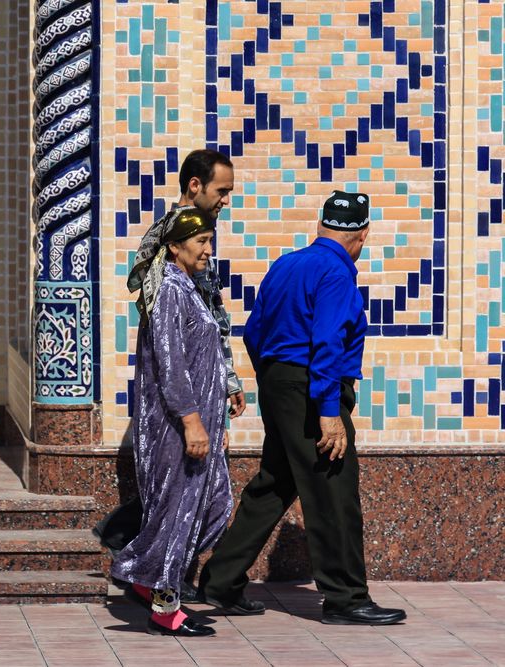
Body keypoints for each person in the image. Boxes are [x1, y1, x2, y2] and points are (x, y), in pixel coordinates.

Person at [197, 192, 407, 626]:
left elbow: (254, 331)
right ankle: (346, 597)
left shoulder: (287, 265)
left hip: (280, 384)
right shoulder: (335, 272)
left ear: (321, 227)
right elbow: (328, 343)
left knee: (275, 484)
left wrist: (272, 383)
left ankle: (220, 580)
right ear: (362, 235)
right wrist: (327, 411)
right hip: (314, 390)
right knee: (333, 490)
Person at [97, 149, 246, 601]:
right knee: (176, 501)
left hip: (201, 396)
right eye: (221, 191)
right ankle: (150, 573)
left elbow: (212, 315)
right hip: (177, 409)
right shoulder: (169, 248)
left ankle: (154, 572)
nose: (225, 201)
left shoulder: (200, 241)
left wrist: (227, 381)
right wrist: (190, 414)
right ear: (196, 186)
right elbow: (167, 338)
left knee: (207, 502)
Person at [110, 207, 233, 637]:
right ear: (175, 246)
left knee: (216, 504)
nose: (207, 249)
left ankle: (145, 572)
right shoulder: (168, 291)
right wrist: (192, 424)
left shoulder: (190, 287)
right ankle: (164, 605)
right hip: (176, 429)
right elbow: (171, 365)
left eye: (209, 241)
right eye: (200, 242)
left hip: (199, 427)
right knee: (178, 513)